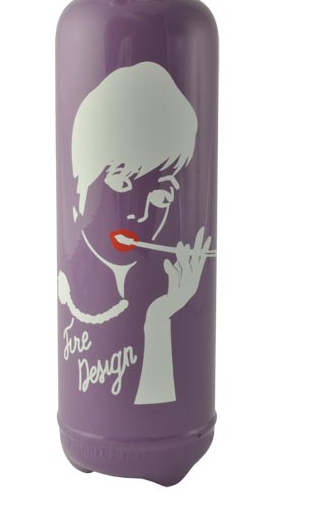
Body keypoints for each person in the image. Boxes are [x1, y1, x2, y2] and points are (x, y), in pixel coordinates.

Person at [58, 61, 213, 404]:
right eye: (122, 182)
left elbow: (158, 400)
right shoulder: (74, 288)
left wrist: (159, 317)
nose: (139, 212)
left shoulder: (163, 281)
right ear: (80, 186)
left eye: (159, 194)